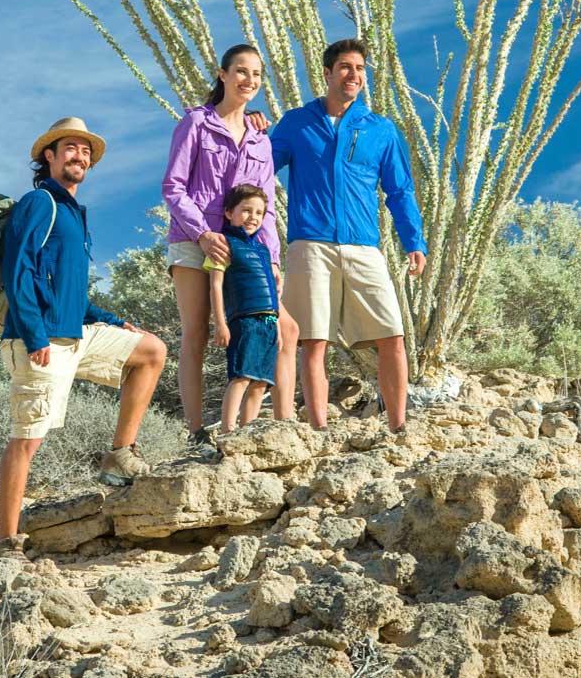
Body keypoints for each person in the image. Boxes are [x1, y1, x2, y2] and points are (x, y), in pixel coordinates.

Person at [0, 116, 169, 551]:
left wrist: (107, 319)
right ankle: (5, 541)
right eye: (71, 147)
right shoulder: (39, 203)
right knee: (27, 440)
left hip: (76, 333)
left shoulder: (73, 213)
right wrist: (34, 336)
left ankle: (119, 453)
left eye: (86, 151)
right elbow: (19, 272)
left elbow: (67, 289)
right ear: (49, 156)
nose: (80, 156)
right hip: (41, 340)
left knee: (150, 350)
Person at [269, 38, 427, 432]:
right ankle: (319, 429)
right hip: (311, 244)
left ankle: (398, 427)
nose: (353, 74)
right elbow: (258, 170)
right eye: (344, 67)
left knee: (392, 335)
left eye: (359, 68)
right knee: (313, 341)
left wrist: (414, 242)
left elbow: (400, 190)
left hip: (363, 246)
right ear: (327, 73)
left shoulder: (380, 129)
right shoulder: (296, 122)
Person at [161, 45, 299, 448]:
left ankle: (280, 423)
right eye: (241, 71)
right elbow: (173, 186)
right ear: (222, 74)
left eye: (256, 74)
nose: (249, 81)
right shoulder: (196, 124)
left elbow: (267, 207)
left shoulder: (260, 141)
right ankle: (195, 432)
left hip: (247, 249)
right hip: (193, 240)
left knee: (284, 329)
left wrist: (271, 257)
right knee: (197, 333)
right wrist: (203, 233)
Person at [206, 184, 281, 433]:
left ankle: (247, 432)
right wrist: (221, 323)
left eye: (259, 213)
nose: (253, 217)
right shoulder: (224, 244)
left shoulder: (262, 249)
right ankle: (228, 431)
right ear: (229, 212)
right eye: (246, 210)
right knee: (242, 376)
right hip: (244, 321)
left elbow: (271, 291)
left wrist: (278, 327)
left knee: (261, 381)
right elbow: (216, 286)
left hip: (269, 322)